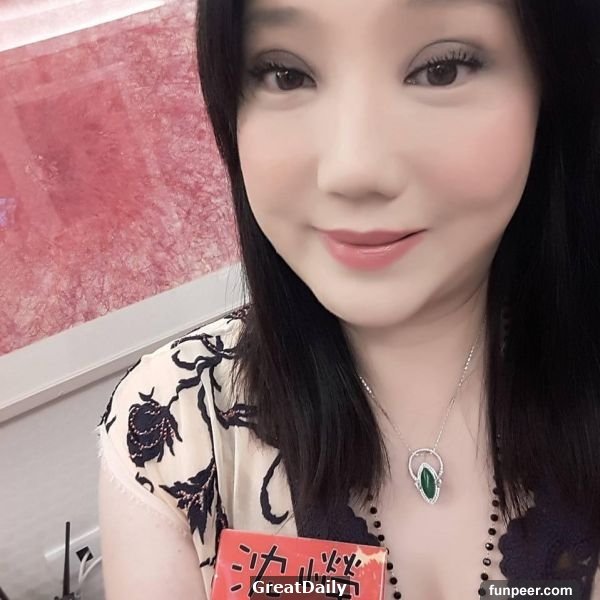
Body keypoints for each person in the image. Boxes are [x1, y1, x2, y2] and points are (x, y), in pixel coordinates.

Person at [97, 0, 600, 598]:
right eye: (286, 74)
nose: (353, 169)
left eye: (441, 70)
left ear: (553, 83)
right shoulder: (174, 425)